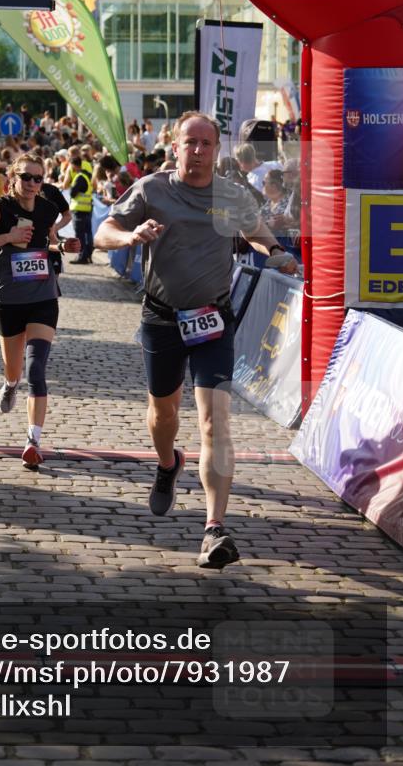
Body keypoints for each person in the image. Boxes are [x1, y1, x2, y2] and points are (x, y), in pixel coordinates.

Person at [94, 112, 297, 570]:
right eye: (191, 143)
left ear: (218, 149)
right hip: (162, 319)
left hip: (213, 322)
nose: (199, 151)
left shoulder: (231, 195)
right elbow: (104, 230)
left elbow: (256, 232)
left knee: (214, 423)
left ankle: (214, 529)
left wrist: (277, 252)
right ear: (176, 147)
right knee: (163, 413)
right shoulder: (152, 189)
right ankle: (168, 464)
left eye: (207, 144)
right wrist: (130, 235)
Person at [0, 153, 79, 469]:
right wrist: (8, 237)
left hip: (43, 296)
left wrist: (63, 247)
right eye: (26, 177)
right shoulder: (0, 208)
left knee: (37, 369)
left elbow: (48, 242)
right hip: (10, 298)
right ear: (13, 178)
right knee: (14, 371)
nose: (31, 183)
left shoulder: (47, 209)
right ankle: (11, 384)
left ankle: (33, 440)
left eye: (37, 178)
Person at [68, 155, 94, 265]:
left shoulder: (79, 177)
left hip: (79, 210)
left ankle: (82, 256)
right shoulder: (86, 176)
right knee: (87, 233)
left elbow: (72, 193)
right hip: (86, 209)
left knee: (80, 235)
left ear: (74, 165)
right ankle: (87, 255)